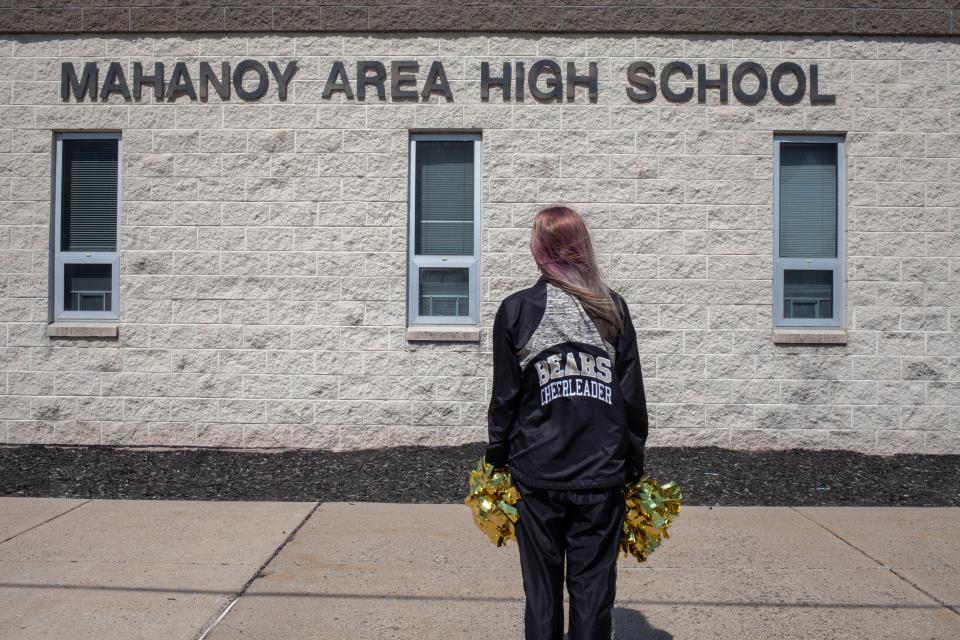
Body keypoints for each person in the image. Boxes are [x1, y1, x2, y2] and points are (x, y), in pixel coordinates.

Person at [485, 205, 649, 640]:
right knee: (593, 590)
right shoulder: (611, 308)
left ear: (540, 249)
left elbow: (505, 398)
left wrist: (496, 456)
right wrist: (632, 461)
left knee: (541, 593)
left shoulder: (518, 310)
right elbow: (631, 398)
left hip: (538, 473)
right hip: (599, 475)